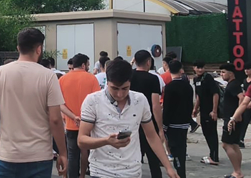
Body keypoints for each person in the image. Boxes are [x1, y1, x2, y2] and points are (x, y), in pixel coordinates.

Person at [0, 28, 68, 178]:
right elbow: (55, 119)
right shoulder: (48, 76)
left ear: (18, 48)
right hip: (39, 155)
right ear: (39, 49)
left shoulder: (0, 73)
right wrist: (62, 152)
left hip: (8, 154)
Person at [78, 59, 179, 178]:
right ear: (107, 82)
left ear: (130, 82)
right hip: (101, 172)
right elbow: (81, 140)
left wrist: (168, 167)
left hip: (132, 172)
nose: (120, 94)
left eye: (125, 88)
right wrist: (106, 141)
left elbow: (152, 136)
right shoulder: (93, 101)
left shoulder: (140, 100)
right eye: (115, 88)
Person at [59, 53, 100, 178]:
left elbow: (60, 104)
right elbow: (97, 102)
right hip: (88, 124)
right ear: (83, 65)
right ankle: (82, 175)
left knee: (72, 154)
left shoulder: (62, 79)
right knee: (85, 151)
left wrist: (73, 117)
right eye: (88, 64)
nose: (88, 66)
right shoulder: (92, 79)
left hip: (71, 124)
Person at [130, 50, 165, 178]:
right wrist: (160, 128)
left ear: (135, 61)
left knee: (133, 157)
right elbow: (155, 105)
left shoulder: (129, 76)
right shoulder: (153, 79)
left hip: (131, 121)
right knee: (153, 158)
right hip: (148, 122)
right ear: (149, 62)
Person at [162, 60, 193, 178]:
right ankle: (181, 171)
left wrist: (164, 124)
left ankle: (179, 172)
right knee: (182, 148)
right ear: (181, 70)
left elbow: (167, 108)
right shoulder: (188, 87)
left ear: (169, 70)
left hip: (173, 124)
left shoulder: (169, 87)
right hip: (184, 123)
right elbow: (190, 105)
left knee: (175, 150)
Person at [191, 60, 220, 166]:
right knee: (206, 132)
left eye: (202, 67)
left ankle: (214, 157)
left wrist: (214, 110)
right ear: (194, 68)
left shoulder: (208, 78)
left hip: (210, 110)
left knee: (212, 133)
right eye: (198, 67)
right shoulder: (196, 79)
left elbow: (215, 94)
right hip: (203, 110)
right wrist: (195, 108)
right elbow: (198, 95)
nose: (200, 70)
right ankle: (211, 154)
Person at [219, 63, 245, 178]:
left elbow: (242, 98)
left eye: (223, 72)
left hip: (231, 119)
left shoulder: (233, 85)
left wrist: (237, 115)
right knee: (234, 145)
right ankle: (237, 171)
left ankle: (237, 172)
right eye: (221, 72)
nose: (221, 74)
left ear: (231, 73)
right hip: (231, 118)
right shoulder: (233, 84)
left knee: (226, 144)